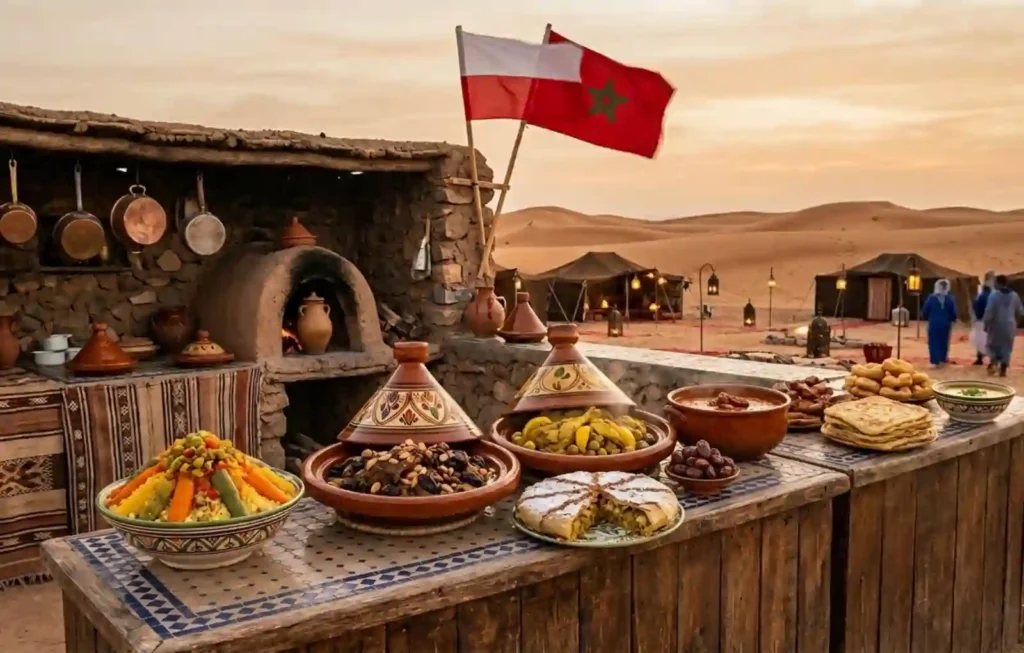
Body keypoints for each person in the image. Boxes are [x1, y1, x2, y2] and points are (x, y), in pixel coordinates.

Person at [983, 274, 1024, 377]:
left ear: (998, 283)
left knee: (993, 345)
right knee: (1007, 347)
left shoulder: (994, 296)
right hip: (1010, 326)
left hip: (996, 325)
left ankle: (994, 364)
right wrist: (1015, 322)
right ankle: (1003, 369)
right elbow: (1020, 312)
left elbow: (989, 312)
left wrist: (986, 324)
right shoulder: (1014, 296)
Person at [921, 278, 958, 367]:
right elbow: (953, 312)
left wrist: (925, 317)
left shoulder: (931, 298)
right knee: (944, 342)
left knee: (934, 342)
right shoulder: (950, 299)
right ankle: (942, 359)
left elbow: (925, 311)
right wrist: (953, 319)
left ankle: (935, 360)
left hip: (934, 324)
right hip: (946, 324)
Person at [972, 271, 996, 365]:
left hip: (982, 320)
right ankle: (988, 359)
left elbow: (977, 308)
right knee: (988, 340)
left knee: (980, 340)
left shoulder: (983, 296)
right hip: (990, 321)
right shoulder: (993, 295)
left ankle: (980, 358)